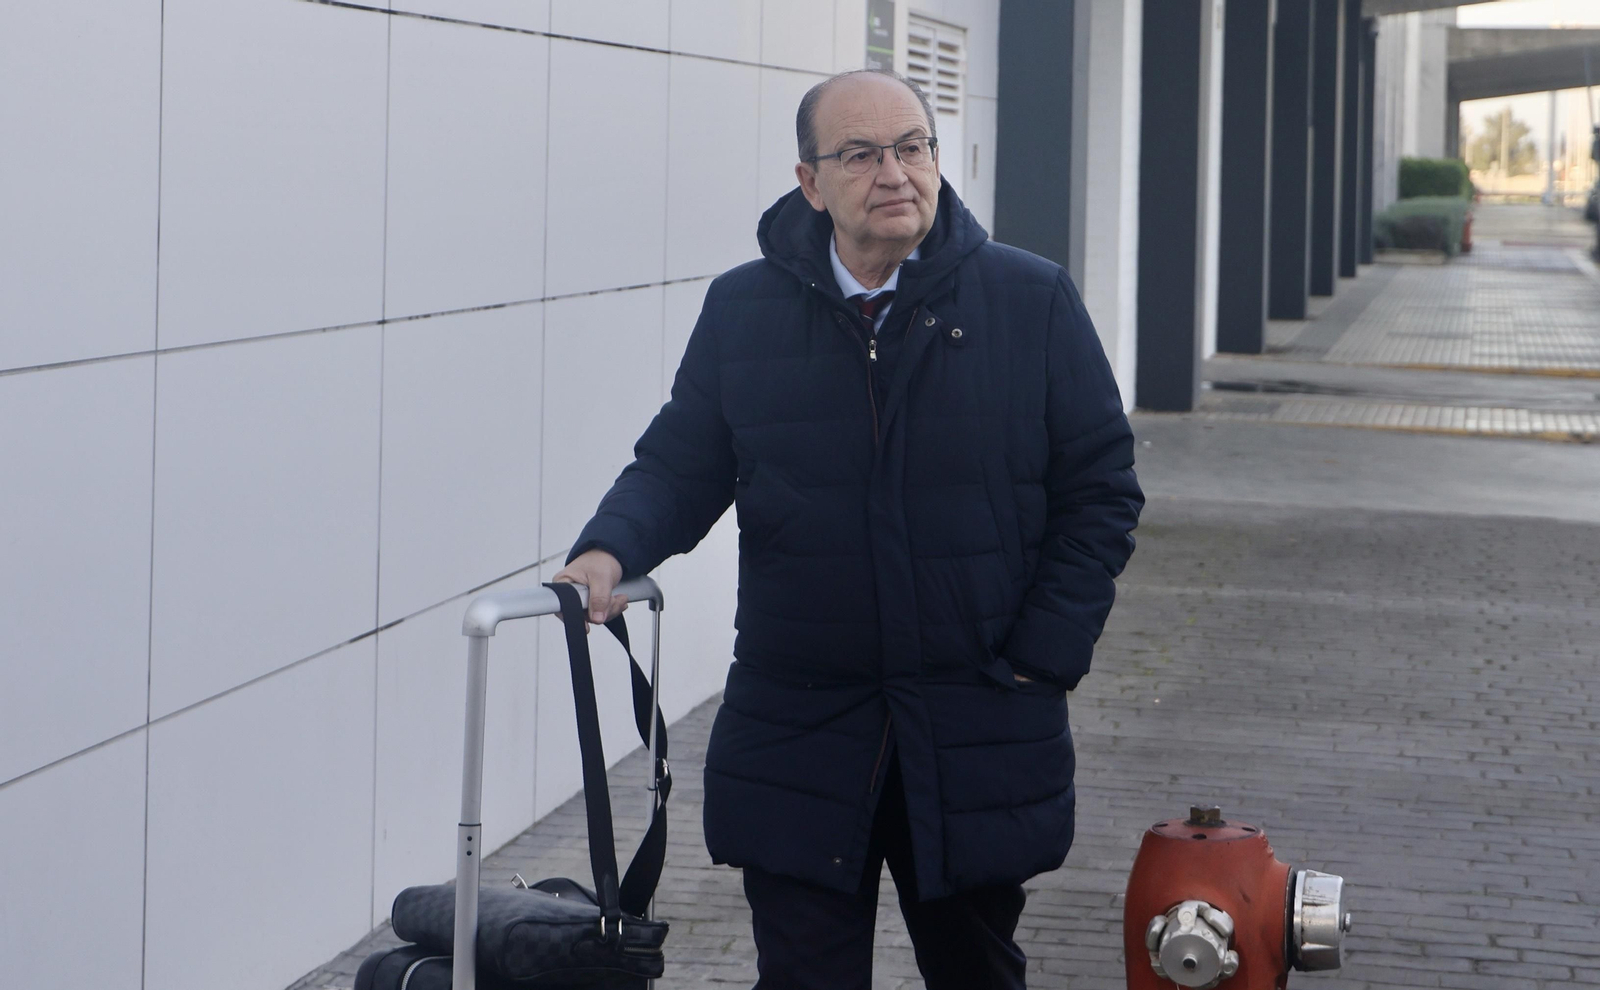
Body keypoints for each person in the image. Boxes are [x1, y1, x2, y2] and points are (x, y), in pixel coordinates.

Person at [554, 68, 1143, 990]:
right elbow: (680, 463)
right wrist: (607, 549)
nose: (895, 173)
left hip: (975, 715)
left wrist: (1043, 655)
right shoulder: (744, 309)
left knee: (977, 974)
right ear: (810, 182)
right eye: (862, 154)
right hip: (802, 720)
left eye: (913, 148)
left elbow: (1100, 492)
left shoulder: (1031, 301)